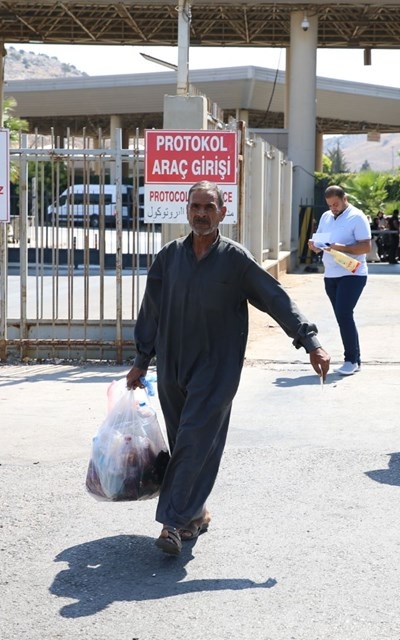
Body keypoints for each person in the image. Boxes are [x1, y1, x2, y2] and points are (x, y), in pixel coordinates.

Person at [126, 180, 331, 555]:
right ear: (187, 210)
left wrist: (310, 340)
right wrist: (142, 360)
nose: (201, 213)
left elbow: (275, 299)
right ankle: (196, 513)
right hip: (173, 366)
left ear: (223, 212)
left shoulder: (235, 259)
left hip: (217, 369)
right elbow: (151, 311)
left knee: (192, 440)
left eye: (209, 207)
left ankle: (171, 523)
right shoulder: (168, 257)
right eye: (195, 206)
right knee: (189, 442)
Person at [307, 185, 372, 376]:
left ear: (345, 198)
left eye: (335, 204)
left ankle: (351, 359)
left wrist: (341, 247)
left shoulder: (357, 217)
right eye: (329, 205)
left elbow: (366, 247)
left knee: (344, 313)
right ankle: (354, 359)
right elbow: (321, 241)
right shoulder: (327, 217)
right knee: (342, 317)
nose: (333, 208)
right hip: (331, 274)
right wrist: (315, 246)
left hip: (353, 273)